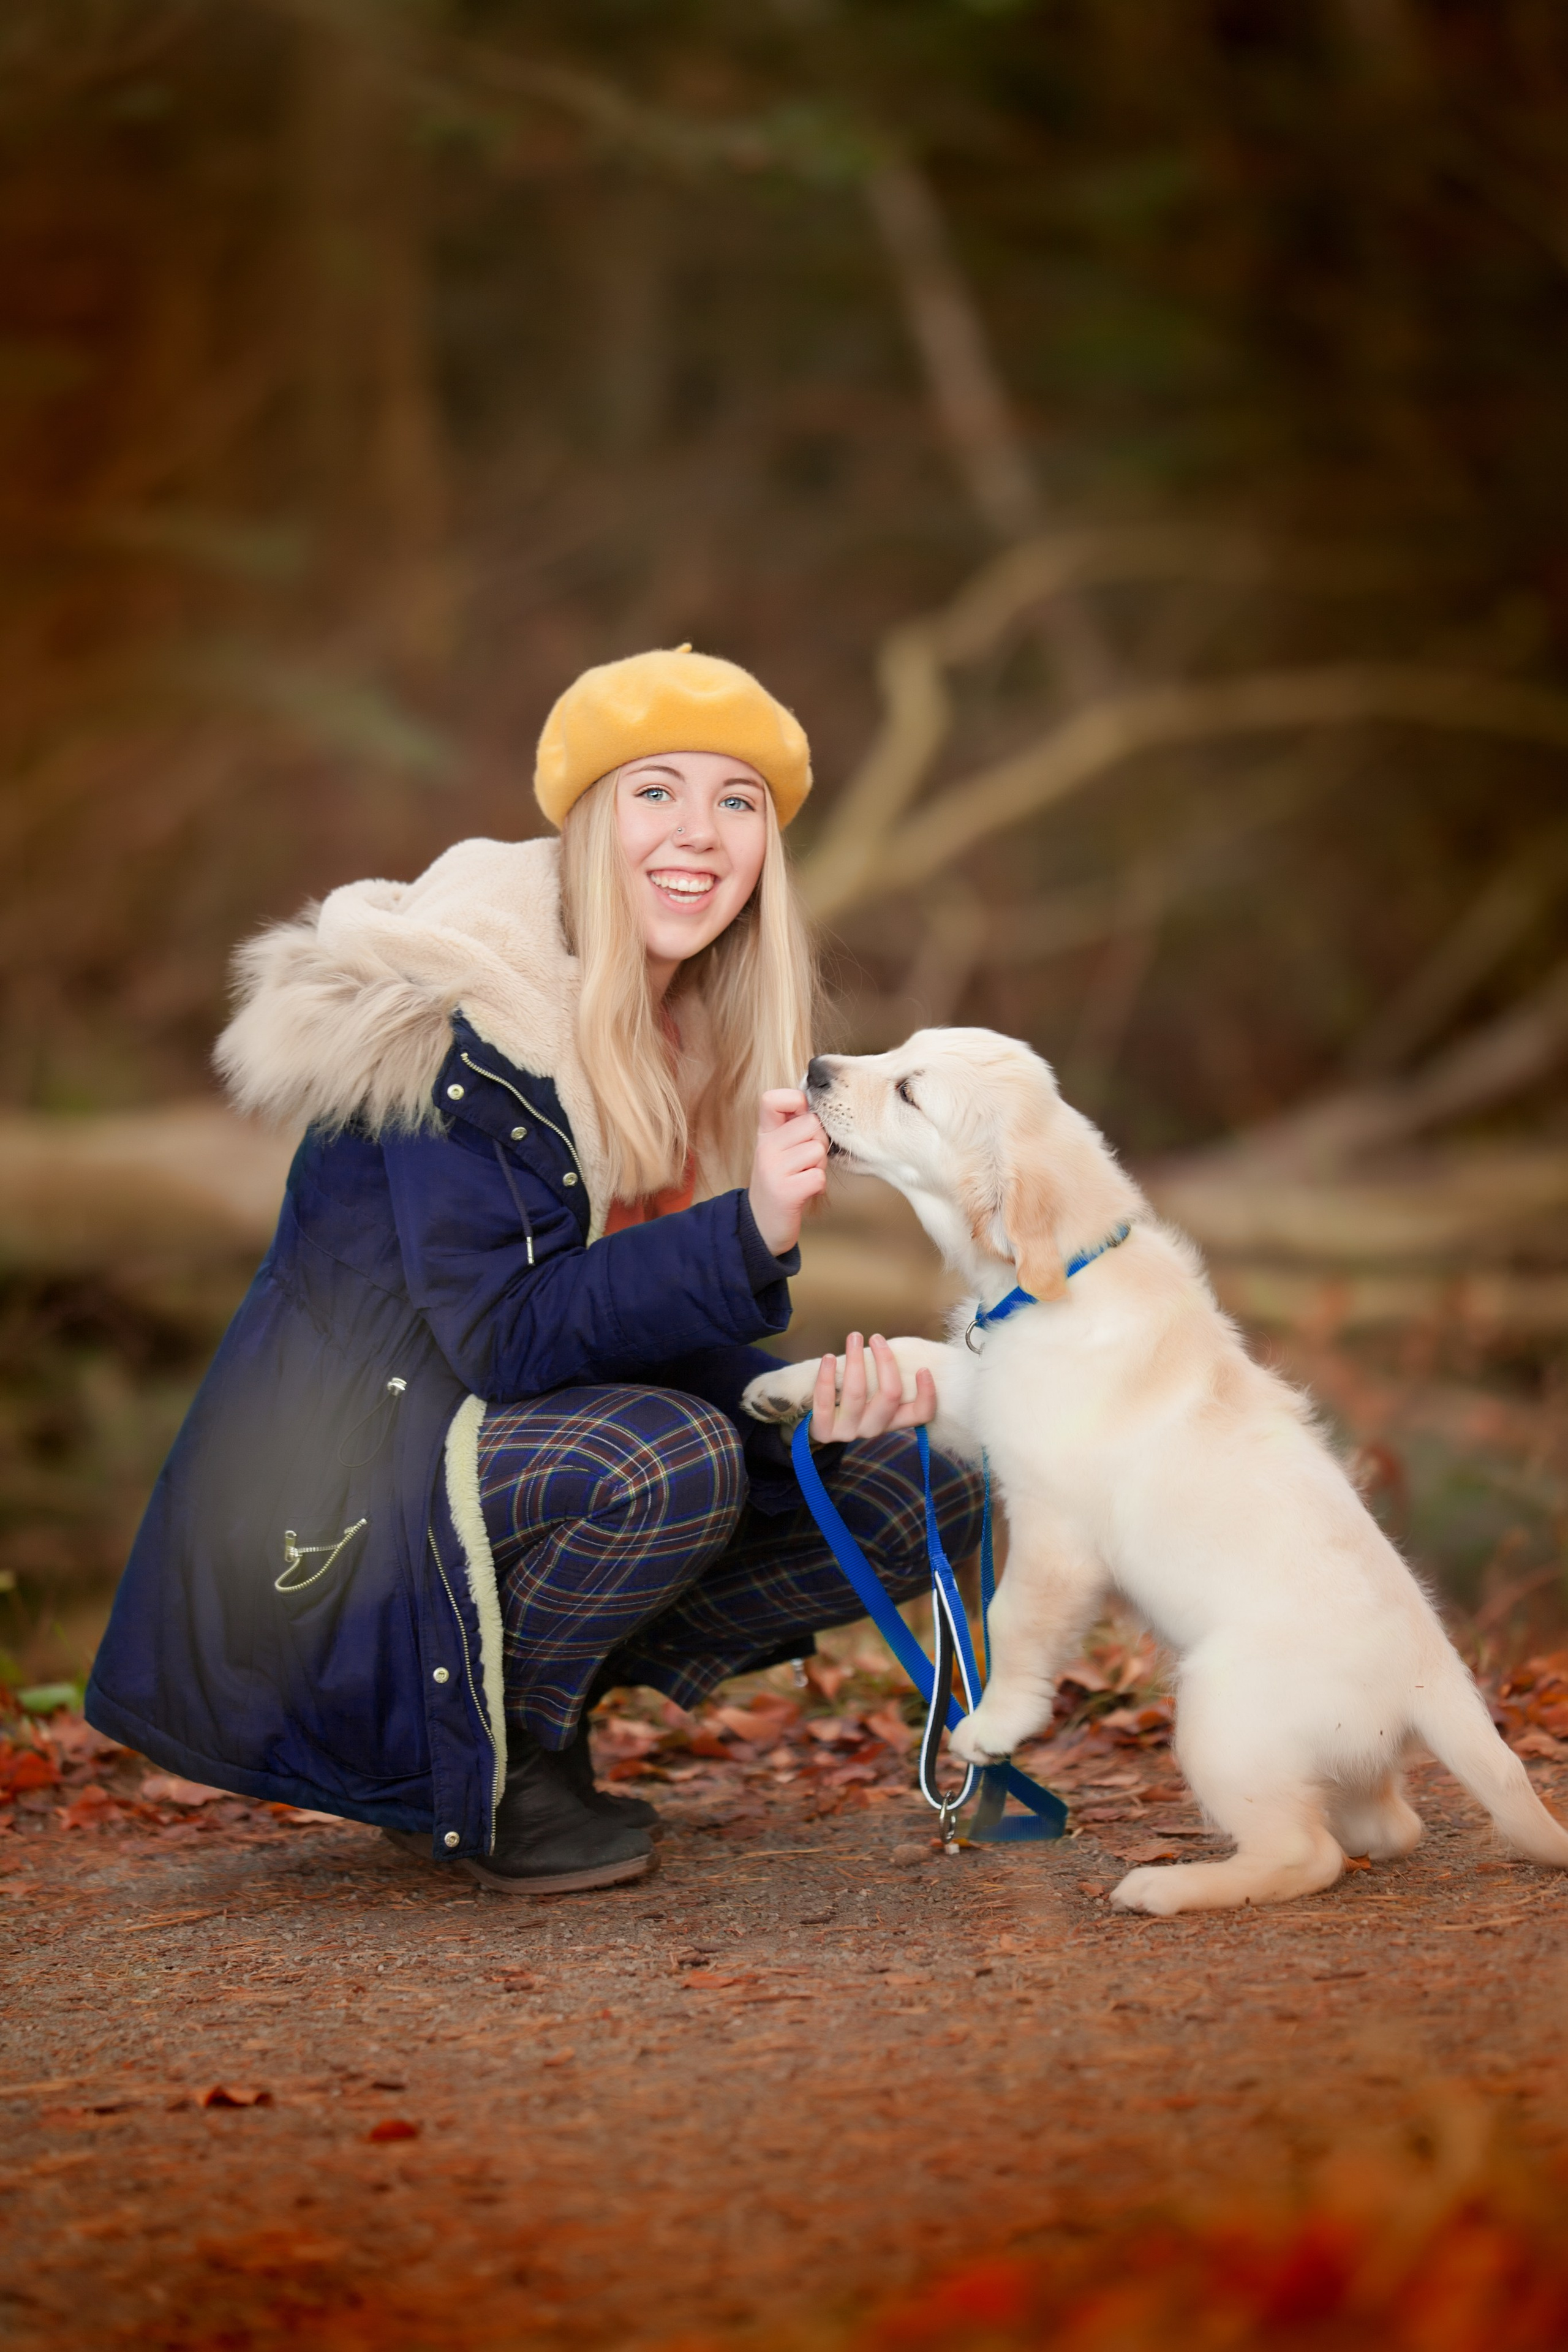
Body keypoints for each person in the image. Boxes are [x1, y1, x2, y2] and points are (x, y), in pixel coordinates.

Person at [86, 647, 985, 1892]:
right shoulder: (466, 1023)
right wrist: (747, 1238)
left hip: (496, 1453)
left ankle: (538, 1703)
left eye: (737, 802)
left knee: (913, 1473)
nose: (699, 834)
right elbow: (504, 1341)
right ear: (582, 819)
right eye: (654, 791)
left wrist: (806, 1395)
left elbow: (631, 1325)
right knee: (664, 1455)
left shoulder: (687, 1027)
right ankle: (492, 1765)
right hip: (329, 1525)